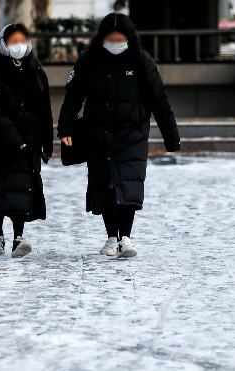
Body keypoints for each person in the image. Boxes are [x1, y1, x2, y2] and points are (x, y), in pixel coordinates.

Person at [57, 13, 181, 258]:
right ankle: (111, 238)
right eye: (110, 38)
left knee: (128, 184)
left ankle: (126, 237)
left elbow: (160, 102)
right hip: (98, 134)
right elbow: (73, 97)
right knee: (104, 186)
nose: (115, 42)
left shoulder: (142, 62)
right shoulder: (88, 61)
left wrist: (171, 138)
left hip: (131, 136)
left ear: (129, 38)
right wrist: (65, 129)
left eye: (119, 38)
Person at [0, 23, 54, 258]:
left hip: (28, 142)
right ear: (3, 42)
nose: (18, 45)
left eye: (22, 40)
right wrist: (13, 138)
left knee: (23, 187)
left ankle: (18, 236)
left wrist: (46, 143)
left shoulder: (35, 69)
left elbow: (45, 108)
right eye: (13, 41)